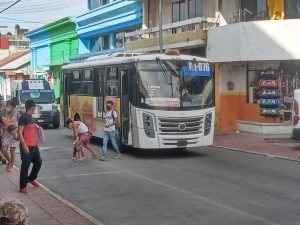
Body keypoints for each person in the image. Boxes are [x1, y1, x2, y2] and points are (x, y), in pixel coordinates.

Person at [18, 99, 42, 194]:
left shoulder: (31, 117)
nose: (35, 109)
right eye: (34, 107)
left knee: (38, 162)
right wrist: (24, 145)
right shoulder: (23, 118)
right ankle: (22, 186)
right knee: (25, 166)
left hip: (34, 145)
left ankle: (31, 179)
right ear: (32, 107)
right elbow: (20, 132)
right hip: (26, 146)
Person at [1, 99, 20, 172]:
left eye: (8, 106)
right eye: (6, 106)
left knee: (12, 150)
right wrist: (3, 133)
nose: (7, 107)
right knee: (3, 149)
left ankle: (11, 165)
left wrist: (16, 131)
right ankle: (9, 161)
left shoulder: (17, 113)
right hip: (6, 134)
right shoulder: (6, 113)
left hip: (14, 134)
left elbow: (21, 124)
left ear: (12, 106)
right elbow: (4, 124)